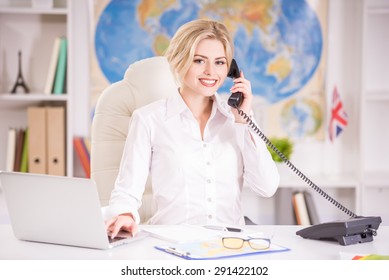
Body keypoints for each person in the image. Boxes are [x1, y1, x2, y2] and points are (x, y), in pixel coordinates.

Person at [106, 19, 280, 238]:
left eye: (219, 62)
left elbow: (267, 187)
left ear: (230, 69)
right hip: (171, 245)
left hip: (229, 247)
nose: (210, 71)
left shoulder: (235, 120)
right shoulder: (148, 119)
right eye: (199, 60)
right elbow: (126, 192)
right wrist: (124, 215)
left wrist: (244, 122)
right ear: (180, 61)